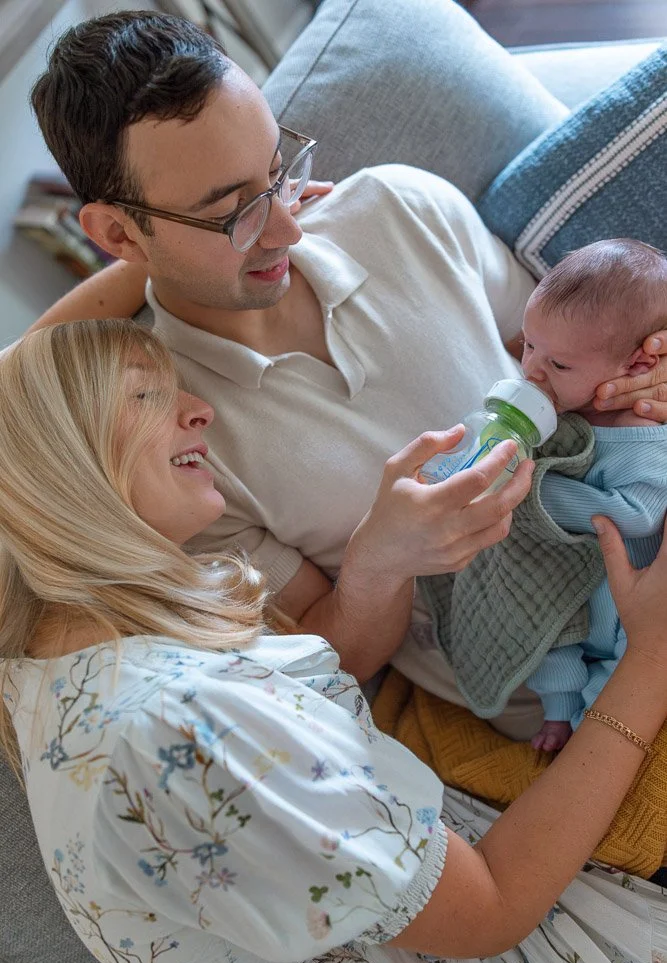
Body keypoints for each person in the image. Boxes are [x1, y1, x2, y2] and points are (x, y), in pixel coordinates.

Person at [28, 10, 667, 743]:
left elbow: (576, 351)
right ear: (116, 235)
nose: (286, 229)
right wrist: (376, 565)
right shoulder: (178, 443)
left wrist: (640, 386)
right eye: (231, 213)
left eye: (277, 171)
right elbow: (335, 665)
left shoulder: (399, 208)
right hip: (575, 711)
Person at [2, 318, 667, 963]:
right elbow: (490, 909)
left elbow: (299, 749)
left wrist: (378, 561)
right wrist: (649, 660)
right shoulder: (172, 728)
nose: (200, 409)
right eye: (145, 395)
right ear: (56, 466)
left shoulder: (60, 671)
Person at [521, 239, 667, 751]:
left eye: (558, 365)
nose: (531, 371)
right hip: (576, 591)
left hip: (638, 613)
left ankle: (588, 739)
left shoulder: (642, 434)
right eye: (526, 345)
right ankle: (559, 715)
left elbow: (641, 515)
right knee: (541, 620)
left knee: (618, 682)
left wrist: (540, 492)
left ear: (633, 364)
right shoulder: (566, 412)